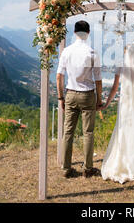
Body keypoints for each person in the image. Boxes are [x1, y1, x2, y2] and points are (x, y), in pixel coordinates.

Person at [100, 43, 134, 184]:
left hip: (125, 105)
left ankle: (123, 165)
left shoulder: (121, 68)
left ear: (126, 54)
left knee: (123, 132)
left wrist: (107, 103)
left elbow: (114, 88)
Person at [56, 20, 103, 178]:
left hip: (70, 94)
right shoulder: (92, 53)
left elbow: (58, 77)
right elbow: (98, 80)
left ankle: (66, 168)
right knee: (88, 133)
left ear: (74, 33)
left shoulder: (66, 51)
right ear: (88, 33)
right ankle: (88, 168)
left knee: (68, 132)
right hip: (88, 94)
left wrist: (61, 97)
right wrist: (99, 99)